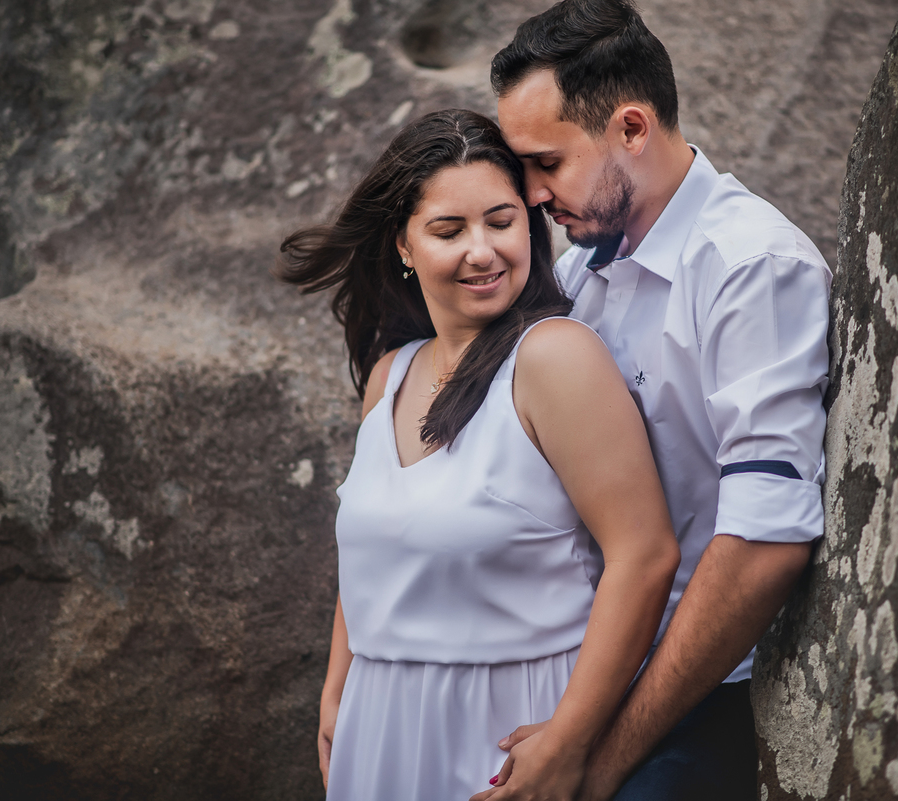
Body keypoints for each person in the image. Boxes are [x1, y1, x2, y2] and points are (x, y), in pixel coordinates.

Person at [275, 108, 680, 801]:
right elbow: (375, 552)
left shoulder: (554, 358)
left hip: (505, 731)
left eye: (501, 221)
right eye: (449, 230)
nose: (483, 250)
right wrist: (337, 690)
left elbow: (643, 556)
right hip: (379, 725)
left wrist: (569, 740)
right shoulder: (391, 375)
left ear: (530, 226)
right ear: (404, 245)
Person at [481, 1, 832, 799]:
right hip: (580, 680)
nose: (532, 194)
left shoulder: (752, 267)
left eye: (546, 163)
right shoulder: (579, 271)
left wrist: (597, 760)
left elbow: (765, 540)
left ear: (632, 128)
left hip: (704, 697)